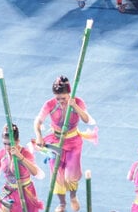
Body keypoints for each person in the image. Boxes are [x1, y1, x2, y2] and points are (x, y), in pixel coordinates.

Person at [34, 76, 97, 212]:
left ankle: (73, 196)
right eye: (58, 98)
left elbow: (86, 119)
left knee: (72, 174)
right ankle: (62, 203)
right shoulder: (49, 104)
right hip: (55, 141)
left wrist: (74, 106)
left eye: (64, 98)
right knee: (57, 173)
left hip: (73, 140)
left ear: (69, 93)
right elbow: (37, 122)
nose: (61, 101)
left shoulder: (78, 102)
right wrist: (39, 135)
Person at [0, 124, 44, 212]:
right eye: (4, 144)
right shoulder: (1, 154)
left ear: (17, 142)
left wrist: (20, 157)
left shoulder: (25, 153)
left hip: (26, 193)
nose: (7, 147)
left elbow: (35, 172)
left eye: (9, 144)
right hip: (8, 192)